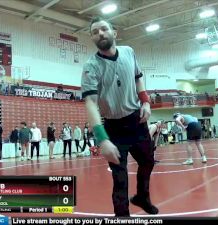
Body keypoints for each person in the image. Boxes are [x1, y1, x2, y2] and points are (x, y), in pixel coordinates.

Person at [81, 17, 157, 216]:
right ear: (92, 38)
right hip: (114, 127)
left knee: (148, 161)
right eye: (95, 31)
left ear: (114, 33)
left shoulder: (129, 52)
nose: (100, 34)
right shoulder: (91, 67)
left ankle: (142, 197)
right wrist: (102, 139)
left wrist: (146, 102)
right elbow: (90, 103)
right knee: (120, 177)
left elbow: (138, 79)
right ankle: (122, 216)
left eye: (104, 29)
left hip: (137, 120)